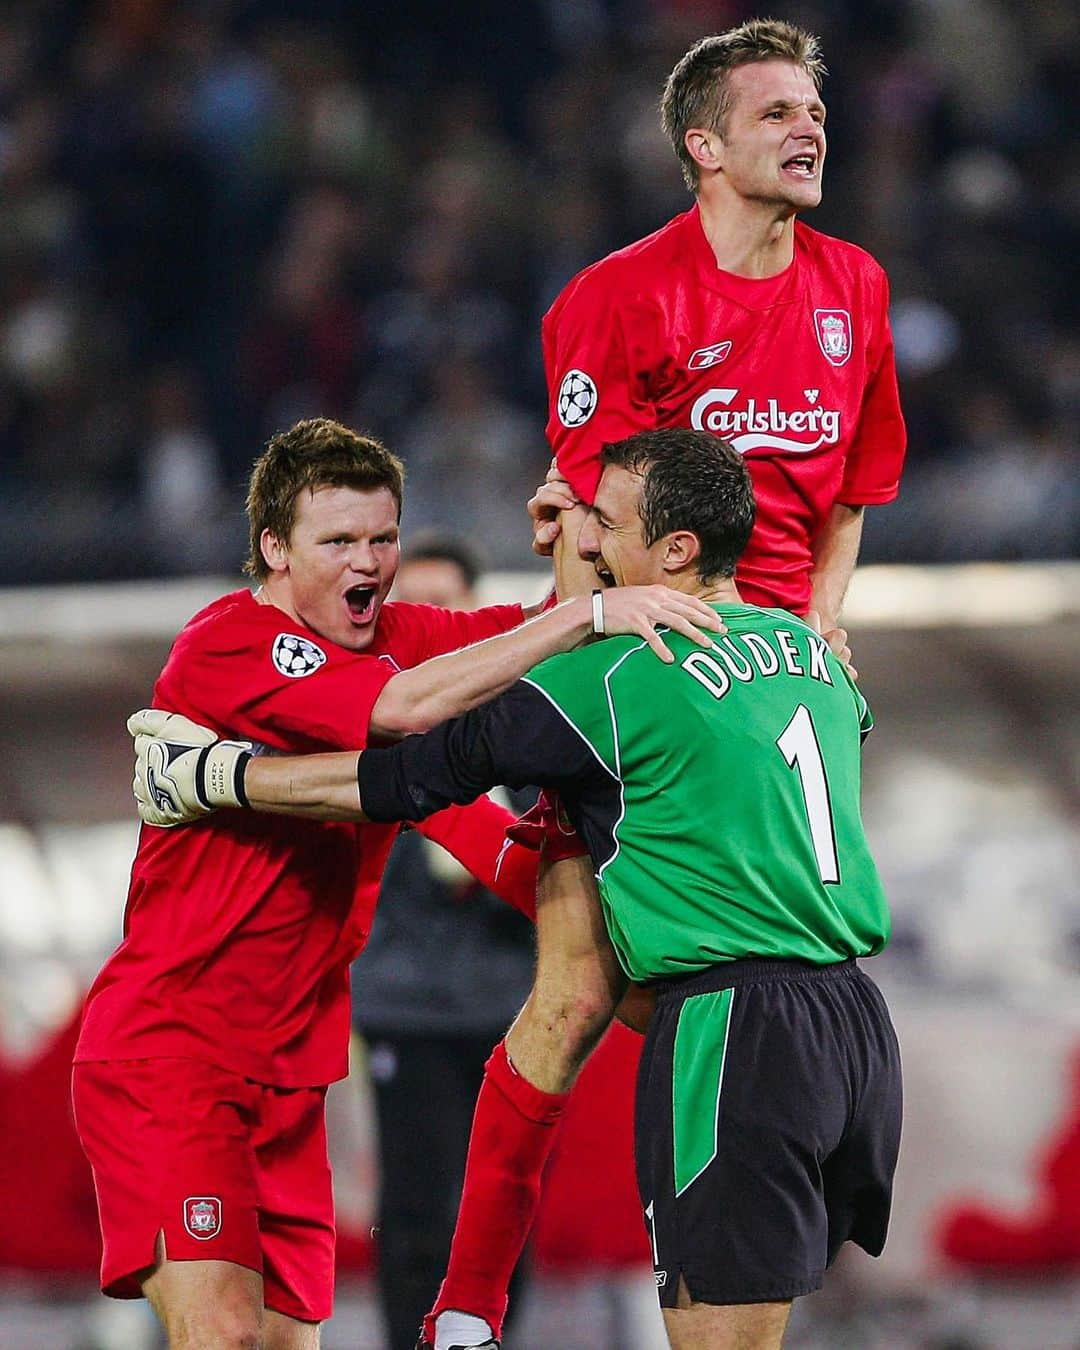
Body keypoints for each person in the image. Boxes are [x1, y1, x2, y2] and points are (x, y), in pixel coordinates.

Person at [128, 427, 904, 1350]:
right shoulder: (812, 655)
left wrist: (220, 778)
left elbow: (409, 766)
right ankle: (467, 1312)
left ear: (676, 553)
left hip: (729, 1027)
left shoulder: (622, 670)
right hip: (854, 1023)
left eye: (601, 525)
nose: (584, 541)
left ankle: (464, 1311)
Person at [538, 17, 906, 647]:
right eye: (777, 114)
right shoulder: (620, 296)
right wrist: (611, 661)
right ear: (706, 148)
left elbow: (853, 491)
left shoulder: (857, 285)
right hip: (659, 637)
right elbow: (585, 507)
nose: (810, 130)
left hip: (786, 643)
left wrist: (815, 631)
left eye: (815, 114)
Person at [350, 534, 535, 1350]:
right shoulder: (356, 721)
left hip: (510, 1009)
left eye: (448, 605)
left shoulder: (531, 722)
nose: (434, 621)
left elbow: (563, 838)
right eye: (414, 604)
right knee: (420, 1200)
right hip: (407, 1008)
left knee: (504, 1200)